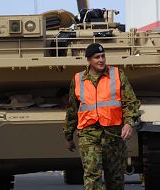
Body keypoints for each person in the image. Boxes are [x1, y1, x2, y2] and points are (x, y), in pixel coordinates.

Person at [63, 43, 140, 190]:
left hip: (114, 135)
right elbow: (72, 110)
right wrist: (68, 136)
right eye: (97, 57)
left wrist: (129, 123)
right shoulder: (78, 79)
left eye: (103, 56)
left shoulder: (117, 75)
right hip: (89, 134)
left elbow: (131, 102)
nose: (101, 60)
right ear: (89, 60)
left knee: (115, 178)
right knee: (92, 176)